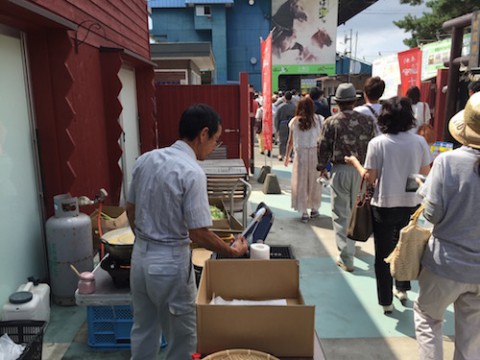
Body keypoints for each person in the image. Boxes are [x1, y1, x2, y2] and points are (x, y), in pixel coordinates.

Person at [126, 104, 248, 359]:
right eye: (215, 139)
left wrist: (145, 241)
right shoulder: (192, 172)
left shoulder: (145, 159)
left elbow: (130, 208)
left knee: (143, 329)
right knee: (182, 337)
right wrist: (231, 251)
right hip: (169, 263)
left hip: (139, 257)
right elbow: (199, 233)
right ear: (203, 134)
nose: (215, 146)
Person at [345, 96, 432, 314]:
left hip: (383, 205)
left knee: (383, 253)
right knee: (404, 246)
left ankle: (386, 301)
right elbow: (425, 174)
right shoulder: (419, 142)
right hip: (412, 204)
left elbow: (370, 178)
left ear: (385, 117)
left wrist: (355, 162)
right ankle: (402, 288)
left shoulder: (378, 143)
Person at [414, 92, 480, 360]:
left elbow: (431, 215)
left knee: (428, 318)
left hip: (446, 263)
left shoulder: (448, 162)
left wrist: (424, 190)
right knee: (472, 336)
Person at [317, 83, 376, 272]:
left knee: (341, 214)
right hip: (362, 171)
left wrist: (321, 167)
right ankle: (352, 246)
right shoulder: (368, 121)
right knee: (356, 211)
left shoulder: (331, 122)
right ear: (354, 100)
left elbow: (323, 146)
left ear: (338, 102)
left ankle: (346, 257)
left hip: (340, 170)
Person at [284, 97, 323, 222]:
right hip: (315, 154)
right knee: (315, 183)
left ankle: (304, 211)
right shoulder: (319, 120)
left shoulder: (294, 122)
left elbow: (290, 142)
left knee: (301, 183)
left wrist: (286, 156)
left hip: (300, 155)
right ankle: (314, 209)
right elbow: (322, 140)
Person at [275, 91, 296, 161]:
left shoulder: (280, 107)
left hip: (282, 124)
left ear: (284, 98)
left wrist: (277, 127)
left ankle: (281, 154)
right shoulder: (295, 107)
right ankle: (290, 155)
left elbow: (276, 118)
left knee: (282, 140)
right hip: (292, 124)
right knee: (291, 140)